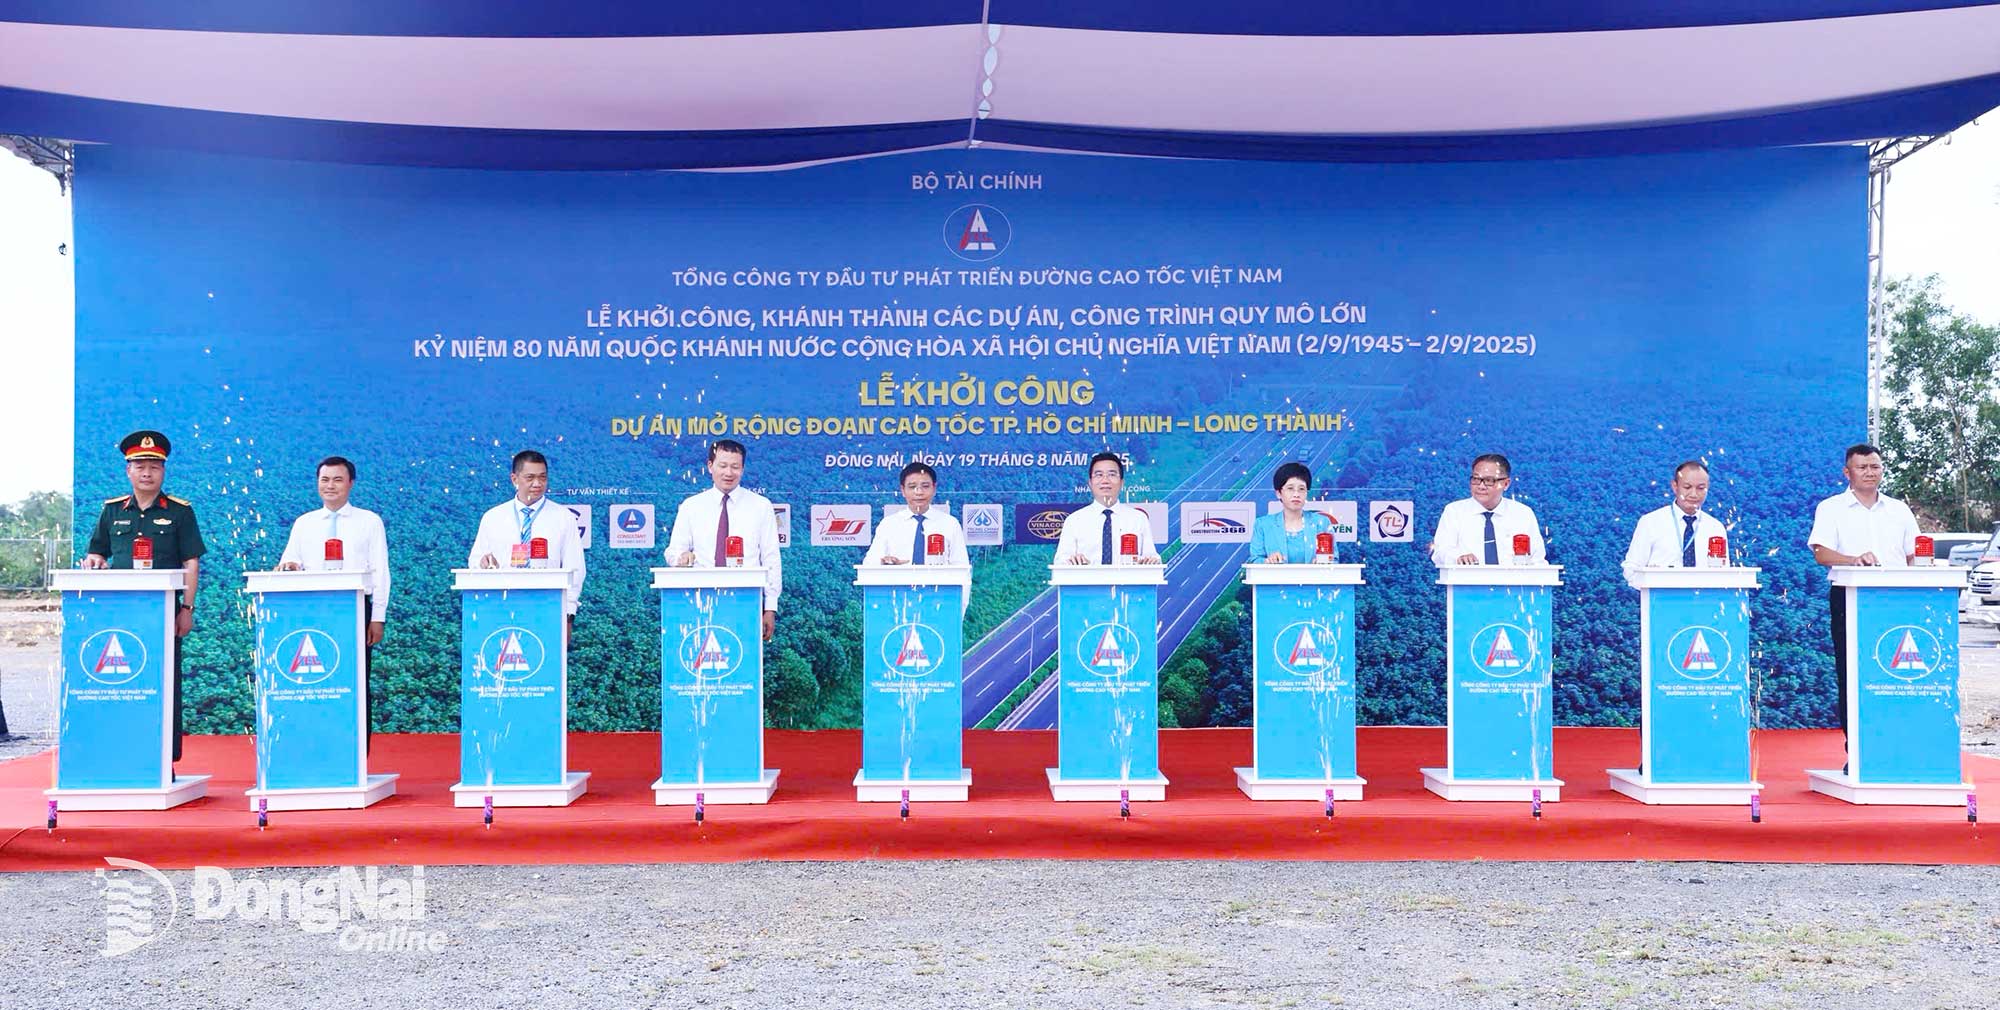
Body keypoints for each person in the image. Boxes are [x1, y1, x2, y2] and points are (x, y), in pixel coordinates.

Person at [83, 430, 206, 763]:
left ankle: (165, 757)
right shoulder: (111, 511)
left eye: (154, 466)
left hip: (163, 613)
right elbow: (96, 552)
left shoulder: (180, 512)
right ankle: (122, 751)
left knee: (164, 680)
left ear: (163, 471)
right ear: (128, 470)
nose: (147, 473)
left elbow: (190, 561)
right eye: (140, 466)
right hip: (119, 613)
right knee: (121, 678)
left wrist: (187, 608)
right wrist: (94, 560)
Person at [1807, 443, 1919, 738]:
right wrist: (1853, 559)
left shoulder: (1899, 509)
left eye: (1875, 466)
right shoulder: (1830, 508)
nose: (1870, 472)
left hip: (1896, 598)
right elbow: (1820, 553)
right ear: (1847, 472)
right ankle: (1856, 747)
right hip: (1850, 597)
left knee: (1898, 669)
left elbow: (1914, 555)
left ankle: (1898, 738)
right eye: (1862, 467)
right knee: (1853, 671)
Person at [278, 456, 390, 749]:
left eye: (338, 480)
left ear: (351, 484)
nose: (330, 486)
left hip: (354, 610)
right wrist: (289, 567)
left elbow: (380, 570)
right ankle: (316, 745)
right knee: (316, 680)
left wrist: (377, 616)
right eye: (325, 480)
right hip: (312, 612)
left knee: (354, 681)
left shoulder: (369, 521)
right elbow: (289, 561)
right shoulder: (305, 523)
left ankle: (355, 751)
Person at [664, 439, 782, 640]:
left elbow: (771, 558)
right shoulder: (691, 506)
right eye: (723, 465)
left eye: (735, 467)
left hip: (747, 599)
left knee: (744, 660)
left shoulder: (761, 506)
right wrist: (680, 558)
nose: (729, 473)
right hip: (700, 601)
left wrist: (770, 607)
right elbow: (673, 551)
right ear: (710, 466)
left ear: (743, 469)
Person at [467, 450, 586, 618]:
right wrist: (482, 563)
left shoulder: (563, 517)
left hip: (548, 607)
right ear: (514, 479)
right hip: (500, 606)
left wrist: (569, 612)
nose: (537, 483)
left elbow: (575, 568)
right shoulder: (493, 517)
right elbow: (474, 561)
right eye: (530, 478)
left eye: (543, 477)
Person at [865, 461, 971, 610]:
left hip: (939, 605)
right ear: (902, 490)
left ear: (934, 488)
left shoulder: (950, 524)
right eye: (912, 487)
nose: (919, 492)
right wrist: (884, 563)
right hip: (897, 606)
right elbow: (869, 566)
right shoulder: (888, 524)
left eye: (925, 486)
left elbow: (963, 573)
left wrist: (957, 614)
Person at [1429, 453, 1547, 566]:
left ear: (1506, 484)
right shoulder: (1455, 511)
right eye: (1476, 479)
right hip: (1468, 584)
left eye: (1489, 481)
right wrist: (1458, 558)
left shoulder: (1522, 513)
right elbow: (1440, 553)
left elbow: (1537, 559)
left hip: (1514, 584)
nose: (1481, 486)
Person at [1622, 460, 1728, 573]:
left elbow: (1724, 574)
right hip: (1660, 590)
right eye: (1687, 487)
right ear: (1675, 486)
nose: (1694, 494)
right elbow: (1631, 569)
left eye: (1700, 488)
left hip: (1705, 590)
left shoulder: (1715, 528)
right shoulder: (1650, 522)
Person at [1055, 452, 1160, 565]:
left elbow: (1152, 558)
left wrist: (1152, 561)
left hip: (1127, 582)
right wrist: (1072, 561)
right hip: (1088, 582)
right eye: (1099, 475)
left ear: (1122, 483)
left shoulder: (1138, 518)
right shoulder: (1074, 520)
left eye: (1112, 474)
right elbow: (1060, 562)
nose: (1105, 480)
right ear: (1090, 483)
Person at [1249, 461, 1336, 563]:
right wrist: (1268, 561)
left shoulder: (1322, 523)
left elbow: (1334, 560)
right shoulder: (1262, 525)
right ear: (1278, 493)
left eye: (1301, 489)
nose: (1296, 494)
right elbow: (1254, 561)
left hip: (1313, 579)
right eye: (1290, 488)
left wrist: (1325, 562)